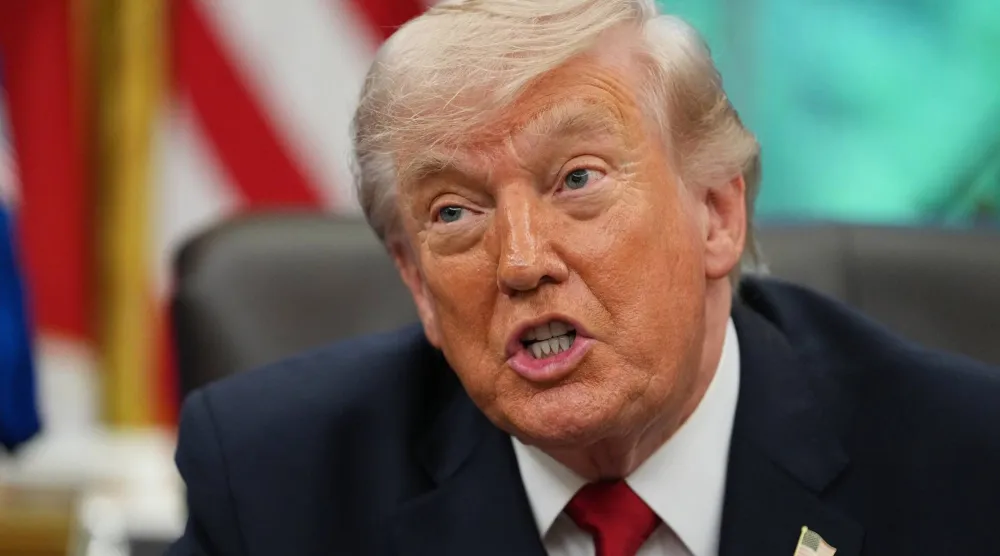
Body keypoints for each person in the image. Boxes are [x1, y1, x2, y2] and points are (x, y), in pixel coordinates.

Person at [166, 1, 1000, 555]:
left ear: (716, 214)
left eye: (577, 180)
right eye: (455, 214)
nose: (523, 261)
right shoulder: (274, 483)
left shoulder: (963, 466)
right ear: (417, 284)